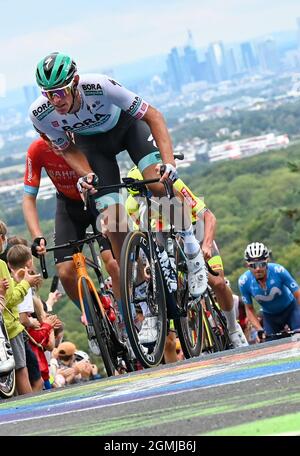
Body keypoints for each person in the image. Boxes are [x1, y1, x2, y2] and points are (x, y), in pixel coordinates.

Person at [29, 52, 207, 307]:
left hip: (128, 129)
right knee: (113, 224)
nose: (55, 100)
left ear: (75, 82)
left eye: (60, 92)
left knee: (158, 185)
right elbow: (67, 148)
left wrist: (168, 163)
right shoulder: (40, 113)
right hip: (93, 147)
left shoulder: (99, 86)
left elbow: (154, 116)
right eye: (48, 94)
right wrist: (86, 174)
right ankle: (144, 298)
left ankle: (190, 245)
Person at [125, 166, 248, 348]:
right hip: (163, 233)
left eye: (150, 192)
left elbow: (209, 217)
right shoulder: (131, 205)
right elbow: (144, 241)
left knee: (218, 283)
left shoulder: (176, 185)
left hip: (193, 229)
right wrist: (147, 264)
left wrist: (206, 244)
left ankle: (233, 328)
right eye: (140, 195)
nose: (147, 198)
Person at [22, 137, 119, 354]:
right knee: (65, 272)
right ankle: (93, 320)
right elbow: (28, 199)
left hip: (97, 199)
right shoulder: (37, 149)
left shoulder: (84, 136)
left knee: (111, 261)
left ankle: (125, 314)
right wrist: (37, 236)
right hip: (68, 206)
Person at [0, 221, 41, 395]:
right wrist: (25, 283)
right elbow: (10, 299)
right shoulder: (1, 265)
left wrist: (16, 281)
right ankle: (30, 405)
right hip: (9, 327)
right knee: (21, 371)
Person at [238, 242, 300, 337]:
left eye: (261, 264)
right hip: (270, 317)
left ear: (267, 261)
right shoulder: (244, 281)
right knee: (269, 344)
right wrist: (259, 329)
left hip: (291, 310)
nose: (258, 268)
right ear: (247, 265)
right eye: (253, 265)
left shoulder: (279, 271)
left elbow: (298, 294)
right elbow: (249, 309)